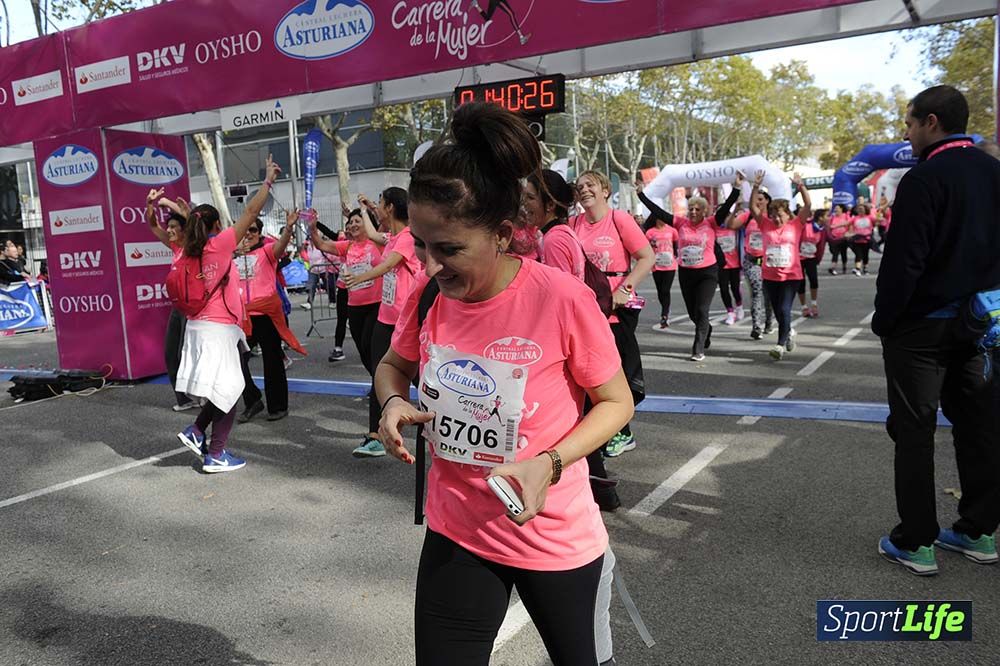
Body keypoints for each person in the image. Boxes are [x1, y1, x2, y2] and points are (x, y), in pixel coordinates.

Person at [374, 101, 633, 666]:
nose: (431, 265)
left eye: (449, 249)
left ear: (502, 234)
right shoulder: (429, 295)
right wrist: (392, 402)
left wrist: (550, 463)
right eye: (420, 245)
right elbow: (392, 365)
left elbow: (616, 402)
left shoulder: (560, 299)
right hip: (458, 532)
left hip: (554, 536)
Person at [873, 85, 1000, 575]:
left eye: (909, 123)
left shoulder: (924, 178)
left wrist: (885, 321)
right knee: (979, 427)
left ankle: (916, 541)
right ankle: (979, 531)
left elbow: (904, 263)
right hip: (981, 323)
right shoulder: (993, 171)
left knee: (915, 432)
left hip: (922, 329)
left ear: (931, 122)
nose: (906, 133)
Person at [174, 155, 281, 473]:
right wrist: (268, 181)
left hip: (197, 327)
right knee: (230, 391)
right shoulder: (219, 245)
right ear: (217, 226)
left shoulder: (187, 251)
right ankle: (216, 453)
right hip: (218, 331)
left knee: (222, 389)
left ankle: (197, 431)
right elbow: (251, 212)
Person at [573, 171, 653, 457]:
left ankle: (623, 431)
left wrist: (624, 289)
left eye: (590, 185)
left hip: (616, 309)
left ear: (605, 190)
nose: (584, 190)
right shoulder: (573, 224)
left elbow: (647, 257)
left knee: (615, 371)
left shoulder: (619, 219)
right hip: (586, 307)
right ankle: (600, 429)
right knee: (589, 371)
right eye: (580, 187)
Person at [344, 187, 420, 458]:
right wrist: (365, 210)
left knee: (420, 375)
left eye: (380, 202)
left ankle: (442, 419)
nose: (378, 206)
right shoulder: (392, 237)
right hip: (385, 319)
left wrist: (360, 277)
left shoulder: (408, 237)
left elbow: (389, 265)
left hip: (406, 320)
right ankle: (376, 437)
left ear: (390, 207)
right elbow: (373, 233)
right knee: (379, 373)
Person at [638, 176, 742, 361]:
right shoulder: (680, 223)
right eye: (691, 208)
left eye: (697, 209)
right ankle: (707, 329)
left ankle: (698, 349)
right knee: (694, 313)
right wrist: (641, 195)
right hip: (686, 273)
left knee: (702, 310)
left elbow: (726, 206)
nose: (693, 212)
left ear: (704, 211)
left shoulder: (711, 222)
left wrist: (736, 188)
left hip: (707, 273)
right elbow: (658, 211)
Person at [309, 209, 384, 452]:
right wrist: (312, 227)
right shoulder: (347, 247)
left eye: (356, 221)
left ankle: (382, 396)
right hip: (355, 307)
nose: (351, 225)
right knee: (364, 353)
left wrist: (370, 209)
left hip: (377, 305)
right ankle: (383, 388)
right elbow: (321, 244)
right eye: (349, 222)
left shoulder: (378, 242)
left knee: (373, 353)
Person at [235, 212, 306, 423]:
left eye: (253, 230)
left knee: (272, 361)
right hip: (242, 317)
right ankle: (252, 400)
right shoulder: (232, 256)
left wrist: (289, 228)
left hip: (266, 315)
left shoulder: (266, 252)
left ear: (260, 233)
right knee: (236, 361)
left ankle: (278, 406)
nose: (248, 234)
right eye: (245, 230)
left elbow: (281, 245)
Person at [746, 170, 812, 360]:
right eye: (773, 215)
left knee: (784, 309)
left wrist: (800, 186)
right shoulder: (765, 224)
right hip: (769, 276)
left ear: (787, 214)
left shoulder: (796, 224)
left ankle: (780, 345)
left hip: (791, 276)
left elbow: (808, 205)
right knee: (778, 311)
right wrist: (756, 187)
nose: (776, 219)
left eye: (780, 215)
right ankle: (788, 332)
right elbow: (752, 207)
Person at [144, 187, 198, 411]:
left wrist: (167, 202)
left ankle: (203, 395)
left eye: (175, 227)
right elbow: (153, 225)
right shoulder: (174, 246)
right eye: (170, 226)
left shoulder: (194, 247)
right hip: (178, 308)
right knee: (170, 354)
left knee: (188, 354)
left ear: (185, 230)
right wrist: (150, 205)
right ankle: (184, 399)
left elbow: (195, 224)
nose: (170, 230)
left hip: (194, 309)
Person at [739, 200, 773, 339]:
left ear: (767, 201)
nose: (758, 202)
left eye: (761, 199)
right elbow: (731, 225)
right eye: (756, 199)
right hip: (752, 261)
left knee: (769, 295)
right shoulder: (748, 216)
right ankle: (756, 327)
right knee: (756, 292)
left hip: (770, 262)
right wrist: (735, 210)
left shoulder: (772, 217)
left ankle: (769, 322)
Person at [642, 201, 679, 329]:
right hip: (656, 265)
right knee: (660, 291)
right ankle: (665, 308)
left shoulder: (672, 231)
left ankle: (665, 314)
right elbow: (646, 248)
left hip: (670, 265)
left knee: (665, 290)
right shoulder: (650, 232)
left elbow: (676, 245)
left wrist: (676, 256)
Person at [797, 209, 828, 318]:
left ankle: (814, 304)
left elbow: (826, 242)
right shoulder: (806, 225)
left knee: (814, 280)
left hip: (811, 257)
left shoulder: (822, 230)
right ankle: (804, 306)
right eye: (826, 216)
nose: (828, 218)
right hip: (799, 257)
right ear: (820, 217)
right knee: (801, 282)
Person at [715, 213, 743, 325]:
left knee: (735, 288)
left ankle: (739, 306)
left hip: (735, 264)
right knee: (724, 289)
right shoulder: (715, 229)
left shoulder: (735, 229)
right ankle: (730, 312)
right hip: (722, 265)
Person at [847, 203, 875, 275]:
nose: (860, 210)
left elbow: (877, 221)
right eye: (859, 209)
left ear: (865, 210)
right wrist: (835, 226)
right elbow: (847, 223)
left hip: (867, 240)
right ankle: (857, 269)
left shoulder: (870, 217)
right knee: (858, 255)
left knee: (865, 255)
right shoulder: (855, 218)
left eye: (861, 209)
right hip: (857, 240)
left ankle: (865, 269)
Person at [826, 204, 851, 275]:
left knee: (843, 253)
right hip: (834, 238)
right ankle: (833, 267)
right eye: (835, 208)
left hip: (843, 238)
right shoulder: (832, 217)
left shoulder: (846, 216)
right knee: (835, 253)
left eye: (837, 208)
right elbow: (829, 227)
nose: (835, 209)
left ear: (841, 209)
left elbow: (849, 224)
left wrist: (848, 234)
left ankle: (844, 266)